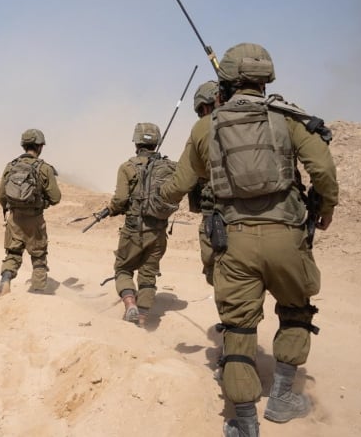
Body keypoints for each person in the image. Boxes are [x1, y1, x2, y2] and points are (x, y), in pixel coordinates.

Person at [160, 43, 338, 436]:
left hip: (235, 242)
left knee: (238, 328)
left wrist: (159, 201)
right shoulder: (287, 118)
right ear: (266, 78)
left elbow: (180, 183)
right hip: (288, 238)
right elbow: (322, 167)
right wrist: (325, 208)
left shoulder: (207, 126)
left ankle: (244, 423)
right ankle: (281, 398)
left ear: (225, 80)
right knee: (295, 309)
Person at [94, 123, 172, 328]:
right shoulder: (170, 167)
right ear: (156, 142)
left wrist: (110, 210)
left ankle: (130, 305)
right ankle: (143, 319)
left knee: (123, 269)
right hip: (158, 231)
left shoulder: (127, 167)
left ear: (136, 142)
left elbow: (120, 200)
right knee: (148, 274)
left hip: (133, 231)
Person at [0, 129, 61, 295]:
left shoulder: (10, 166)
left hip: (15, 219)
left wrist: (11, 209)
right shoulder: (44, 168)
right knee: (39, 256)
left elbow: (1, 196)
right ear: (39, 146)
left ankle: (5, 280)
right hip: (35, 220)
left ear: (24, 145)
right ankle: (38, 293)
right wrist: (42, 202)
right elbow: (56, 197)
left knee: (13, 253)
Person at [187, 80, 220, 285]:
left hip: (222, 221)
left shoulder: (203, 129)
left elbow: (184, 178)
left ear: (206, 106)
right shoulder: (274, 117)